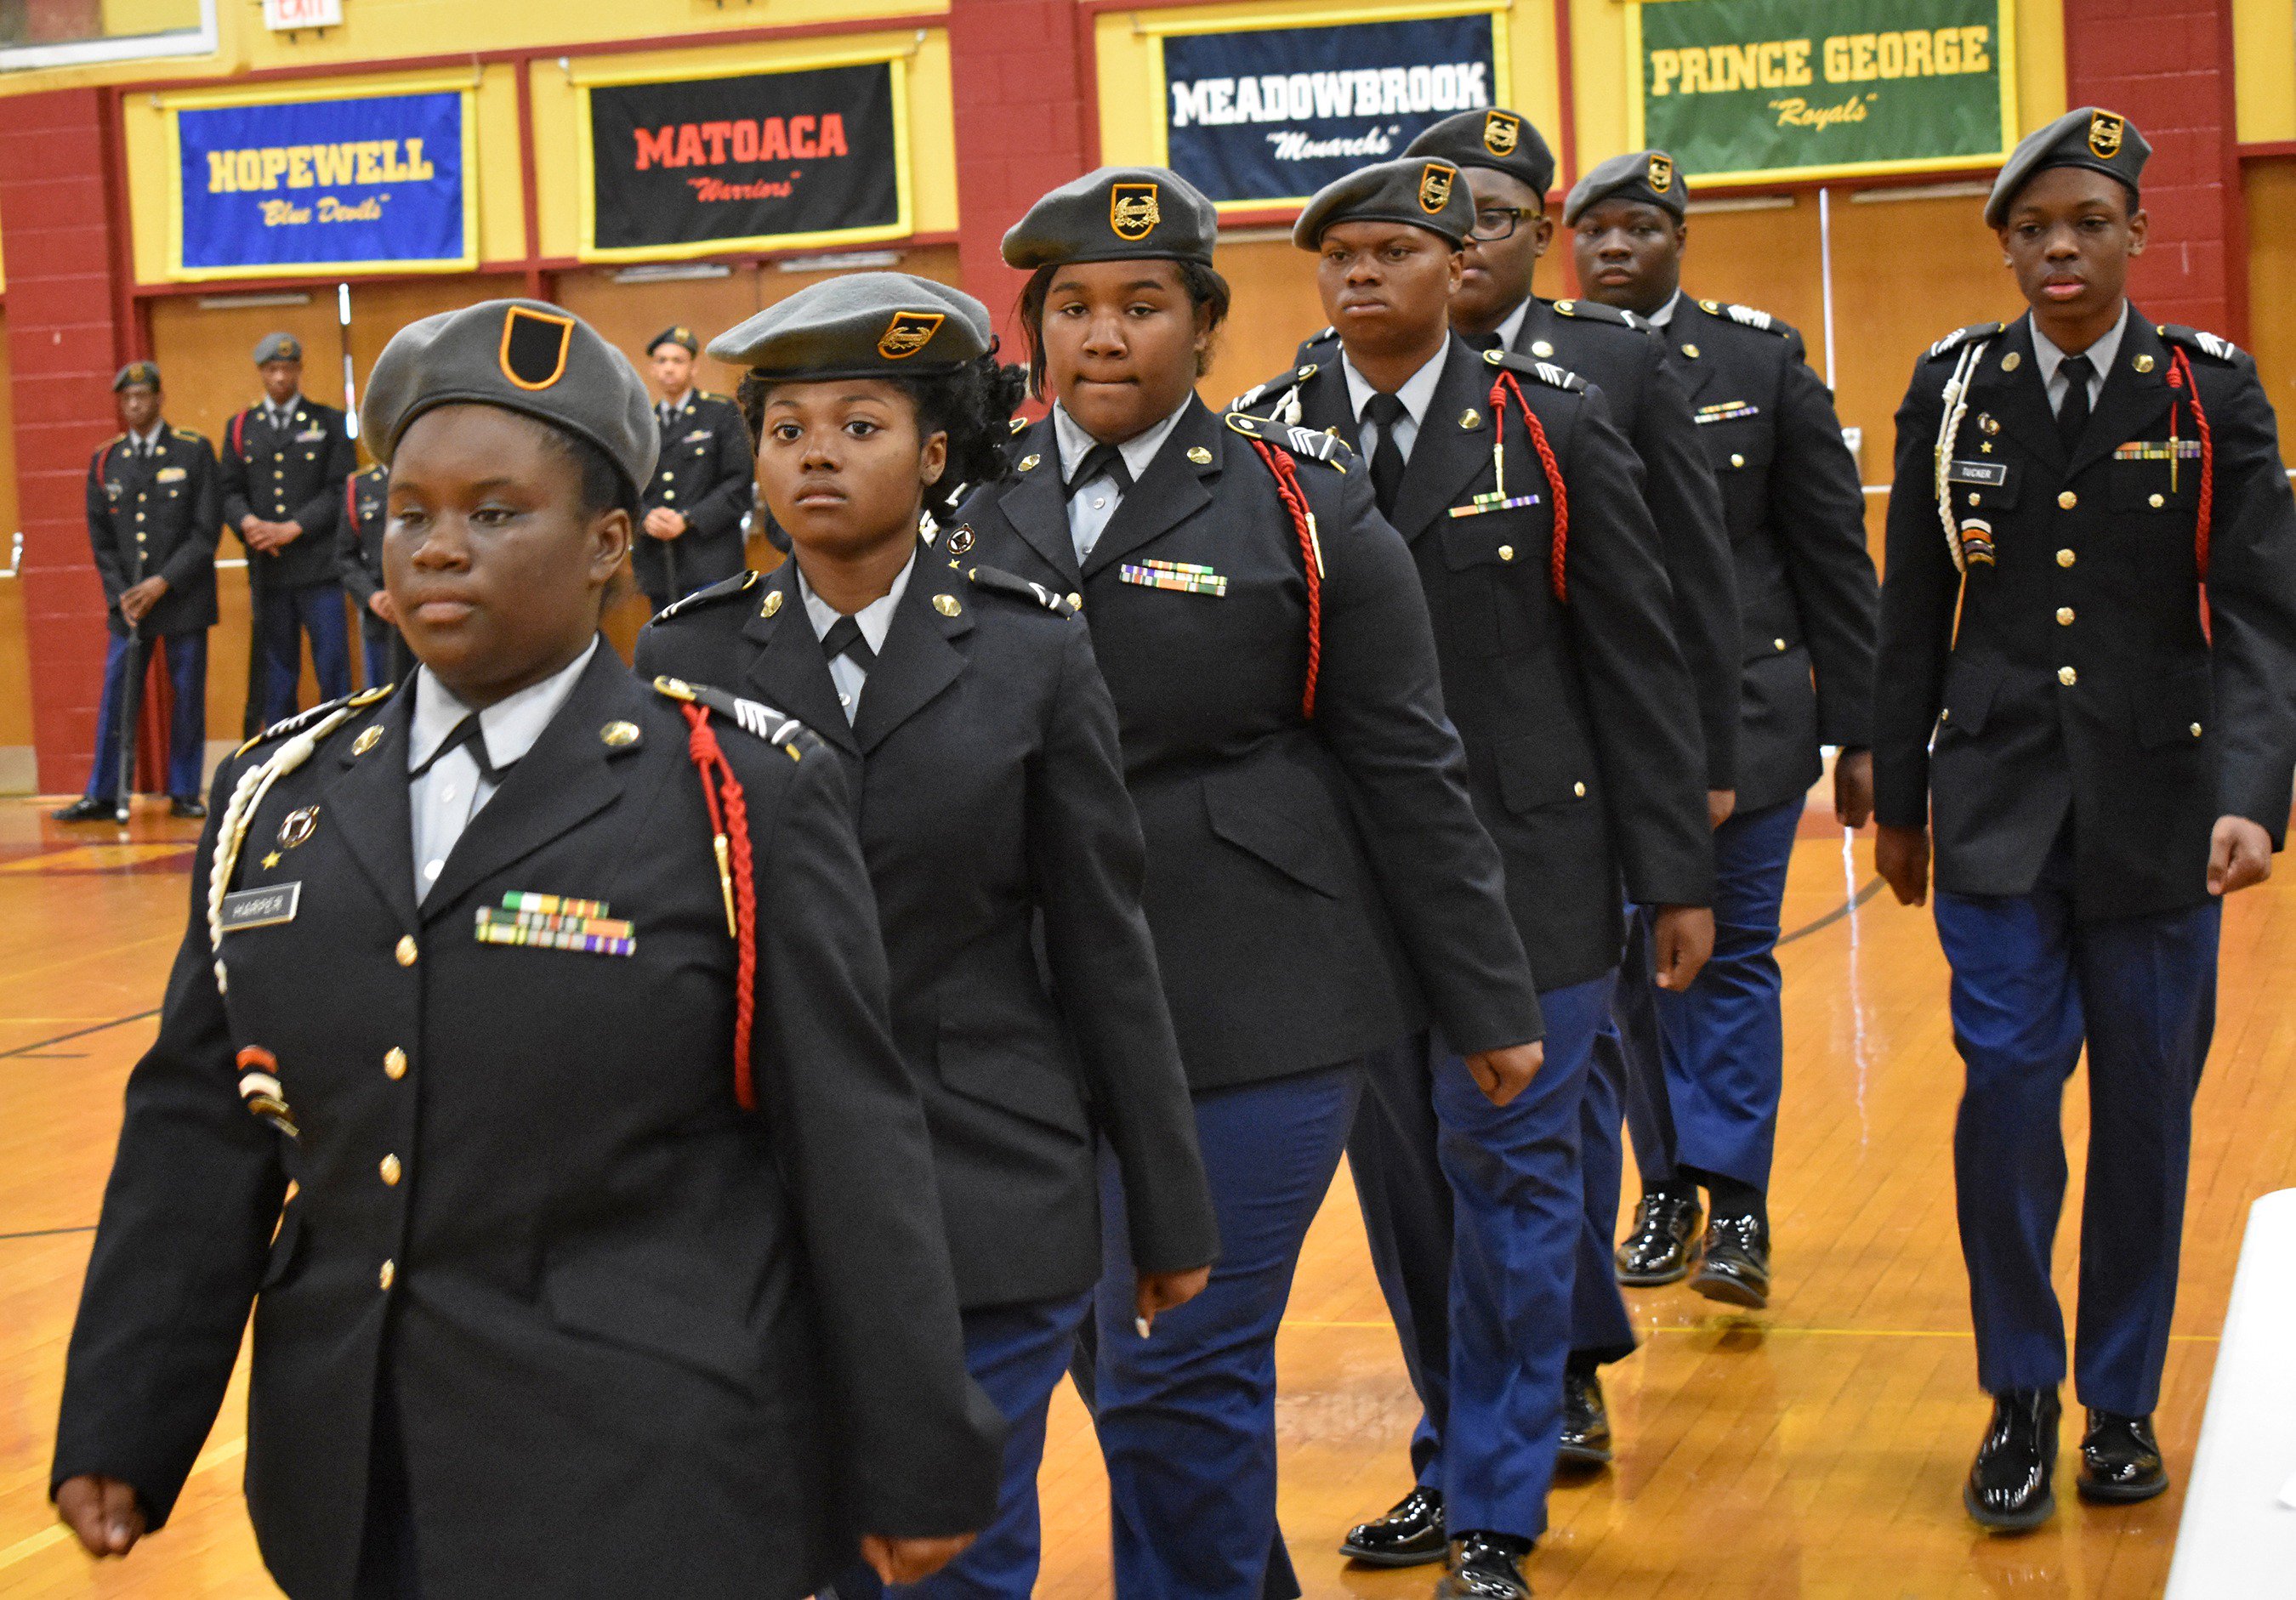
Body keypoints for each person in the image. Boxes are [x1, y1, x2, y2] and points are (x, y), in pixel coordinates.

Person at [50, 298, 1003, 1598]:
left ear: (610, 542)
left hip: (650, 1473)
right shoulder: (284, 793)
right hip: (358, 1482)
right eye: (412, 514)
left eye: (497, 513)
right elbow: (200, 1128)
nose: (441, 549)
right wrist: (125, 1409)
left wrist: (911, 1447)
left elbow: (852, 1142)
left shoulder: (734, 792)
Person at [961, 166, 1545, 1600]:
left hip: (1253, 997)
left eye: (1142, 308)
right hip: (1028, 1010)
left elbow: (1412, 769)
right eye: (1074, 309)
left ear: (1205, 328)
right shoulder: (963, 511)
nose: (1104, 338)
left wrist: (1485, 999)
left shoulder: (1302, 509)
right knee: (1114, 1362)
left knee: (1173, 1368)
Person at [635, 273, 1221, 1600]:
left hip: (988, 1175)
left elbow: (1103, 939)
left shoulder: (1031, 653)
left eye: (860, 425)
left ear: (937, 452)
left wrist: (1169, 1207)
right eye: (788, 430)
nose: (817, 457)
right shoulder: (684, 665)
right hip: (766, 1188)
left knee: (956, 1551)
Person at [1248, 156, 1712, 1596]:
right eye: (1340, 257)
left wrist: (1675, 871)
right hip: (1353, 888)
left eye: (1395, 253)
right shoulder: (1261, 445)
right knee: (1410, 1196)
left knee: (1512, 1178)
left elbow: (1634, 657)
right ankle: (1455, 1452)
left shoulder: (1552, 427)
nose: (1363, 278)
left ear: (1461, 271)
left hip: (1538, 870)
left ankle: (1494, 1512)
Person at [1875, 109, 2296, 1530]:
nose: (2059, 248)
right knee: (2005, 1085)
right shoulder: (1952, 387)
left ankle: (2118, 1400)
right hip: (1995, 803)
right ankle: (2019, 1387)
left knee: (2147, 1113)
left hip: (2161, 810)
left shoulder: (2207, 391)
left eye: (2086, 224)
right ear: (2007, 246)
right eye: (2032, 229)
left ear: (2134, 235)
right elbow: (1910, 611)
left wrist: (2251, 793)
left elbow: (2257, 617)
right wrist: (1898, 796)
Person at [1402, 108, 1742, 1467]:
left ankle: (1539, 1388)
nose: (1466, 240)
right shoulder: (1331, 392)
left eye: (1492, 215)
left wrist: (1690, 804)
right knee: (1503, 1131)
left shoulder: (1606, 367)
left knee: (1567, 1087)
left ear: (1534, 231)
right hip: (1417, 832)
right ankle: (1562, 1346)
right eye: (1447, 217)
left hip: (1571, 804)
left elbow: (1681, 608)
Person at [1566, 148, 1882, 1313]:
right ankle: (1665, 1184)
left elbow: (1832, 559)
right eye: (1591, 229)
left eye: (1637, 228)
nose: (1611, 248)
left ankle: (1735, 1195)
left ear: (1678, 240)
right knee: (1629, 973)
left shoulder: (1757, 359)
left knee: (1729, 957)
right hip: (1602, 730)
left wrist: (1864, 730)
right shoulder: (1541, 366)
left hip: (1745, 715)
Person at [53, 360, 220, 823]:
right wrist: (121, 595)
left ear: (159, 399)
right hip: (129, 605)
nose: (134, 405)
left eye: (142, 397)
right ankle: (104, 793)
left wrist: (161, 582)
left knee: (186, 695)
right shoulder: (107, 459)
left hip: (182, 596)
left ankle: (185, 789)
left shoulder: (193, 451)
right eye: (126, 399)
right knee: (116, 694)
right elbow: (101, 539)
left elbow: (206, 532)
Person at [220, 332, 357, 732]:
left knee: (332, 668)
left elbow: (340, 490)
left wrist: (292, 528)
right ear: (261, 373)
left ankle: (339, 750)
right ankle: (279, 760)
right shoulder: (241, 427)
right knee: (277, 677)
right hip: (270, 572)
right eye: (272, 369)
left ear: (299, 370)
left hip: (319, 568)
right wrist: (248, 524)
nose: (280, 377)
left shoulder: (327, 421)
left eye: (287, 368)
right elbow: (228, 490)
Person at [634, 325, 754, 611]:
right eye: (662, 361)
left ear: (693, 368)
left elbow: (739, 481)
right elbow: (628, 485)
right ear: (652, 369)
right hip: (659, 562)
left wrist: (687, 518)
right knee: (666, 648)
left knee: (714, 646)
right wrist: (645, 516)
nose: (669, 368)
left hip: (710, 558)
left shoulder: (719, 413)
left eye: (677, 360)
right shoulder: (642, 423)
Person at [337, 461, 411, 690]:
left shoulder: (431, 478)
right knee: (382, 699)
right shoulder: (361, 485)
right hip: (379, 615)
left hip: (422, 609)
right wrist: (372, 597)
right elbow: (345, 556)